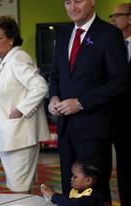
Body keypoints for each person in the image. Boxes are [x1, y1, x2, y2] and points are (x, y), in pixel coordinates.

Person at [47, 0, 128, 204]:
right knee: (69, 186)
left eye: (78, 1)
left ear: (92, 1)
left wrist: (81, 102)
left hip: (94, 127)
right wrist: (53, 97)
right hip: (65, 127)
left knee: (95, 191)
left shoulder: (110, 34)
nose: (72, 6)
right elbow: (56, 76)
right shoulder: (63, 33)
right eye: (67, 2)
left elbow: (119, 82)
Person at [0, 16, 50, 193]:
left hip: (19, 136)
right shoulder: (3, 60)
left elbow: (40, 86)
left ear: (10, 39)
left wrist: (19, 110)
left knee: (19, 188)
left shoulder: (18, 57)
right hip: (9, 136)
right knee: (18, 187)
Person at [110, 3, 131, 205]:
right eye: (112, 15)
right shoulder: (110, 46)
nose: (113, 19)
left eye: (117, 15)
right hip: (116, 120)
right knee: (123, 171)